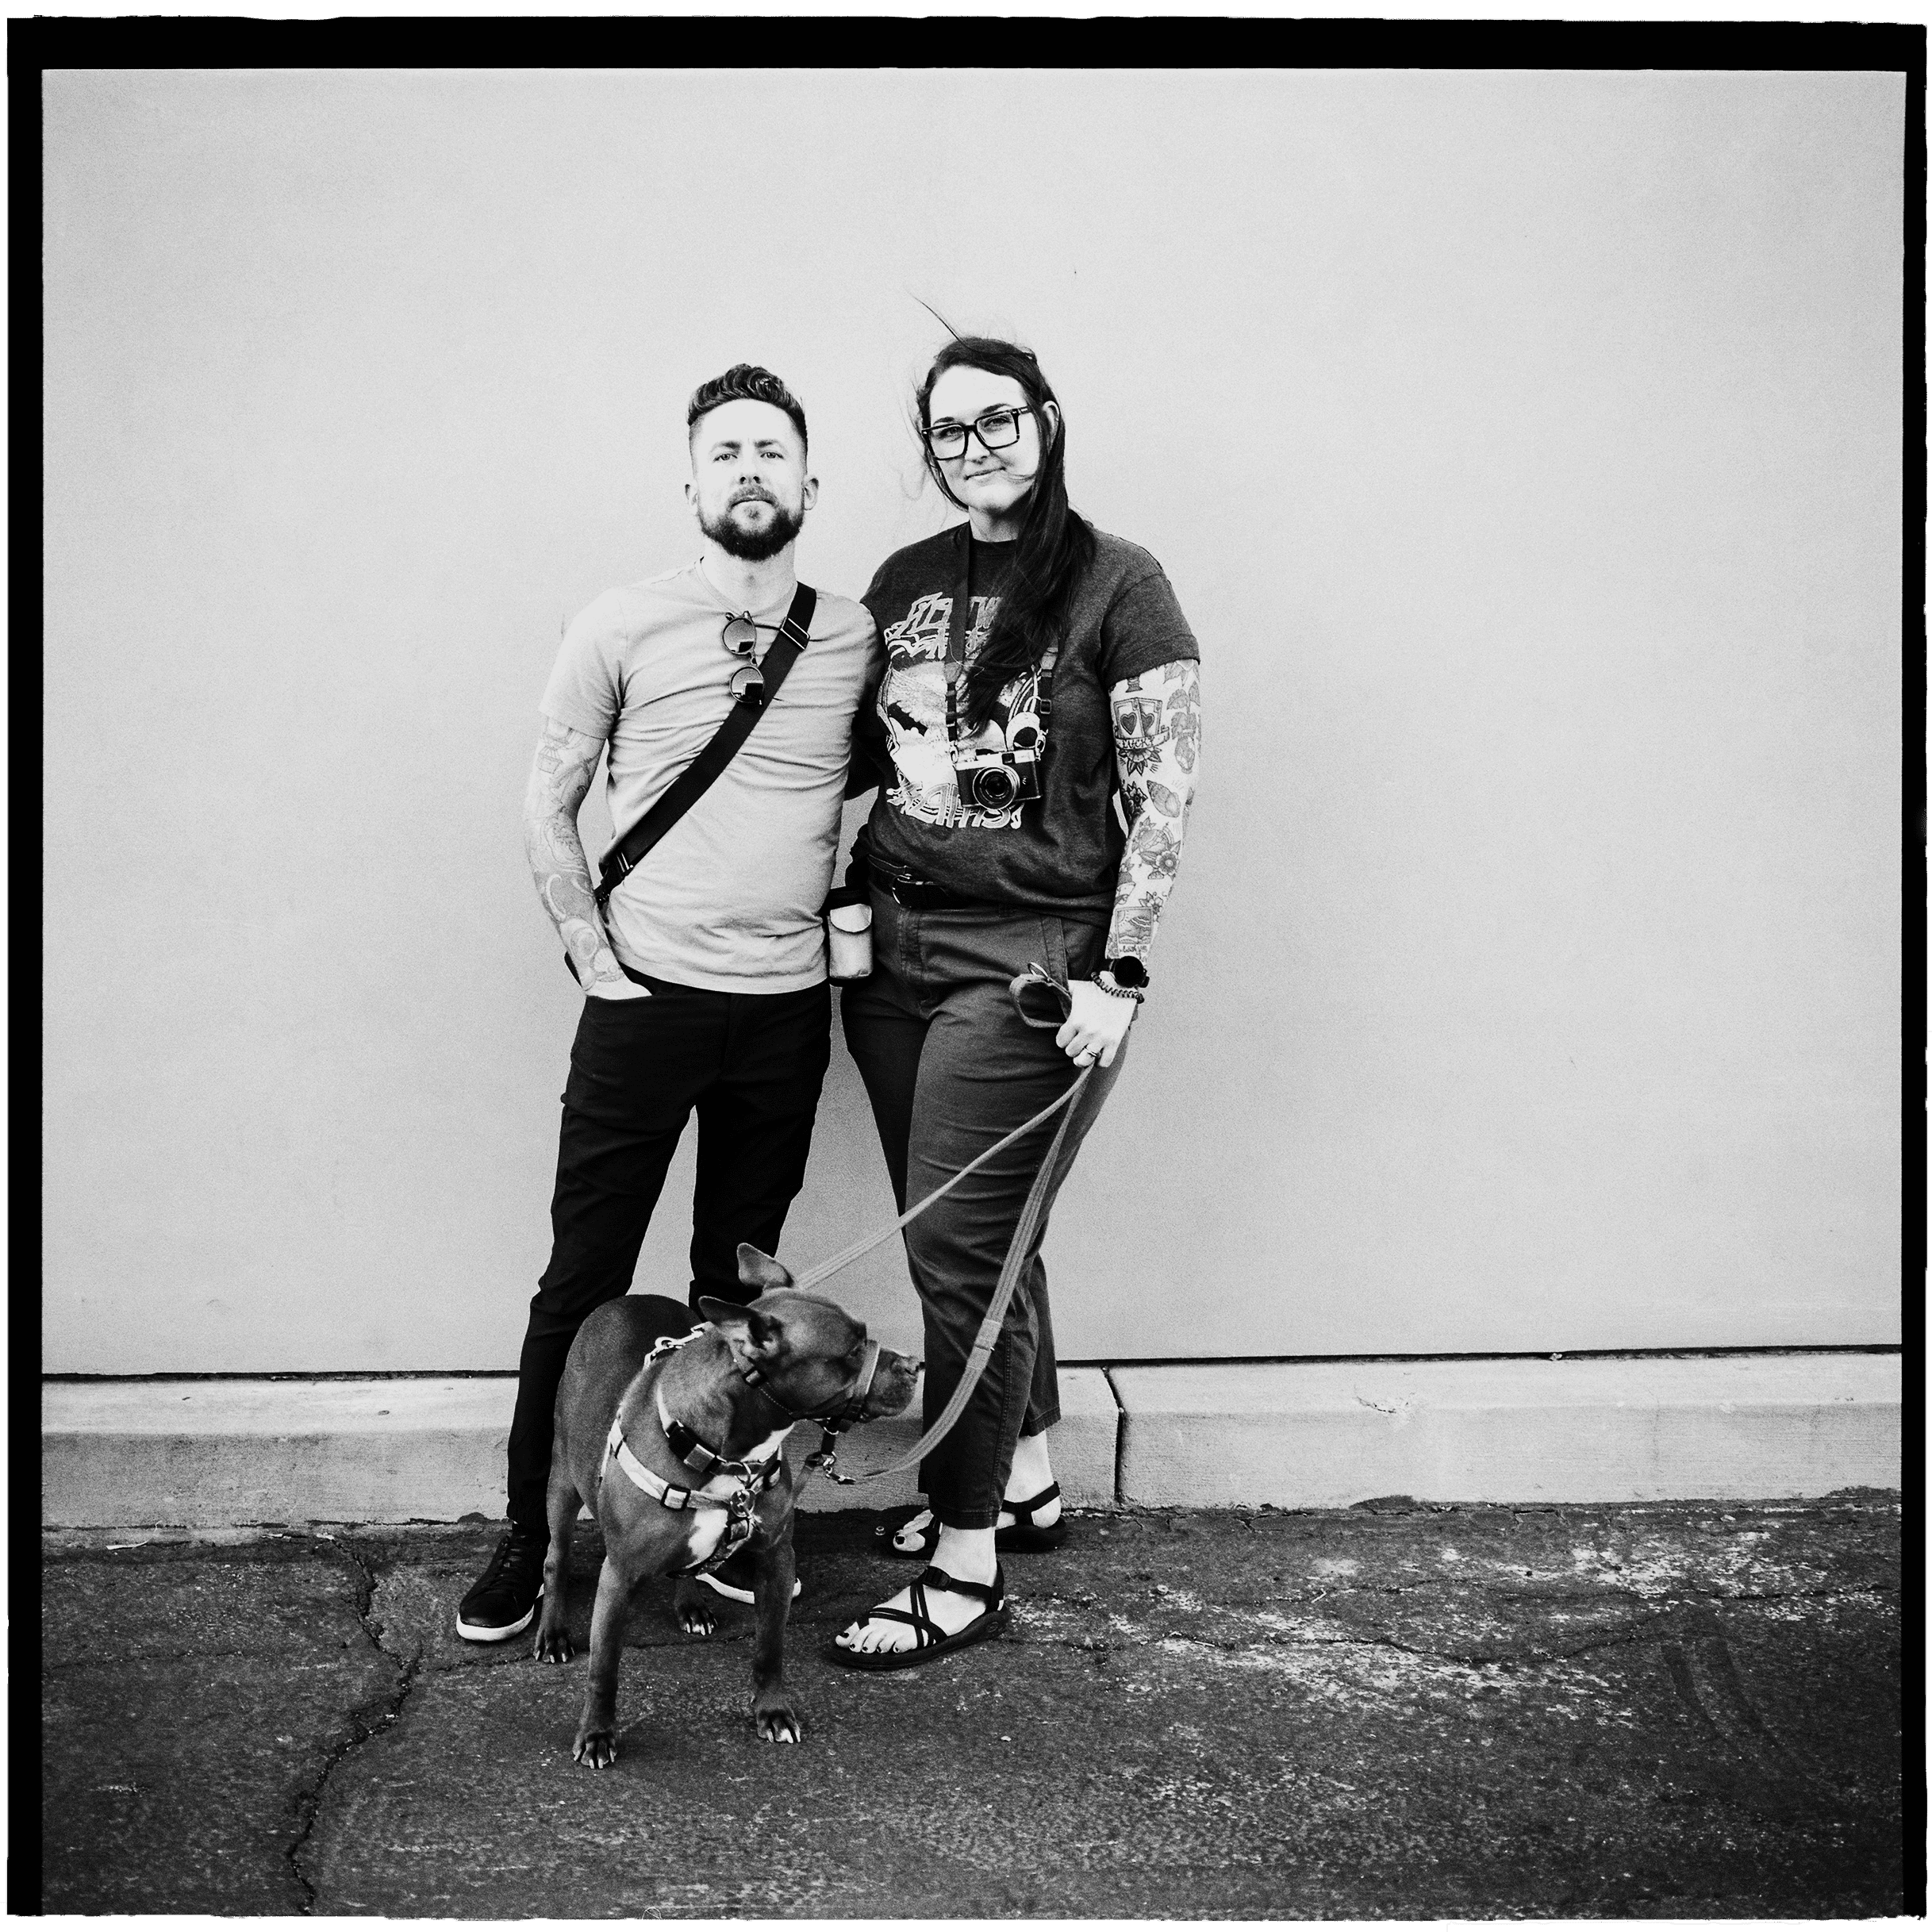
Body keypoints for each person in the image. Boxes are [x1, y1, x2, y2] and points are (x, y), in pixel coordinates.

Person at [457, 364, 881, 1642]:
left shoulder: (852, 634)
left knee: (732, 1301)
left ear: (809, 481)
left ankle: (715, 1524)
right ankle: (531, 1532)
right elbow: (548, 797)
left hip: (783, 1014)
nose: (750, 470)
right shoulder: (621, 622)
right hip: (645, 1005)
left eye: (771, 451)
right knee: (581, 1285)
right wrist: (588, 949)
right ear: (690, 482)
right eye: (726, 452)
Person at [830, 335, 1202, 1665]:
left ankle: (966, 1561)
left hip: (1030, 966)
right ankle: (1027, 1480)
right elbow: (846, 757)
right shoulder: (903, 581)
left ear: (1045, 420)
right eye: (949, 430)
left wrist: (1122, 971)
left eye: (997, 420)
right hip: (891, 957)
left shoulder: (1119, 582)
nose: (975, 447)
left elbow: (1161, 794)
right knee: (985, 1241)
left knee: (959, 1257)